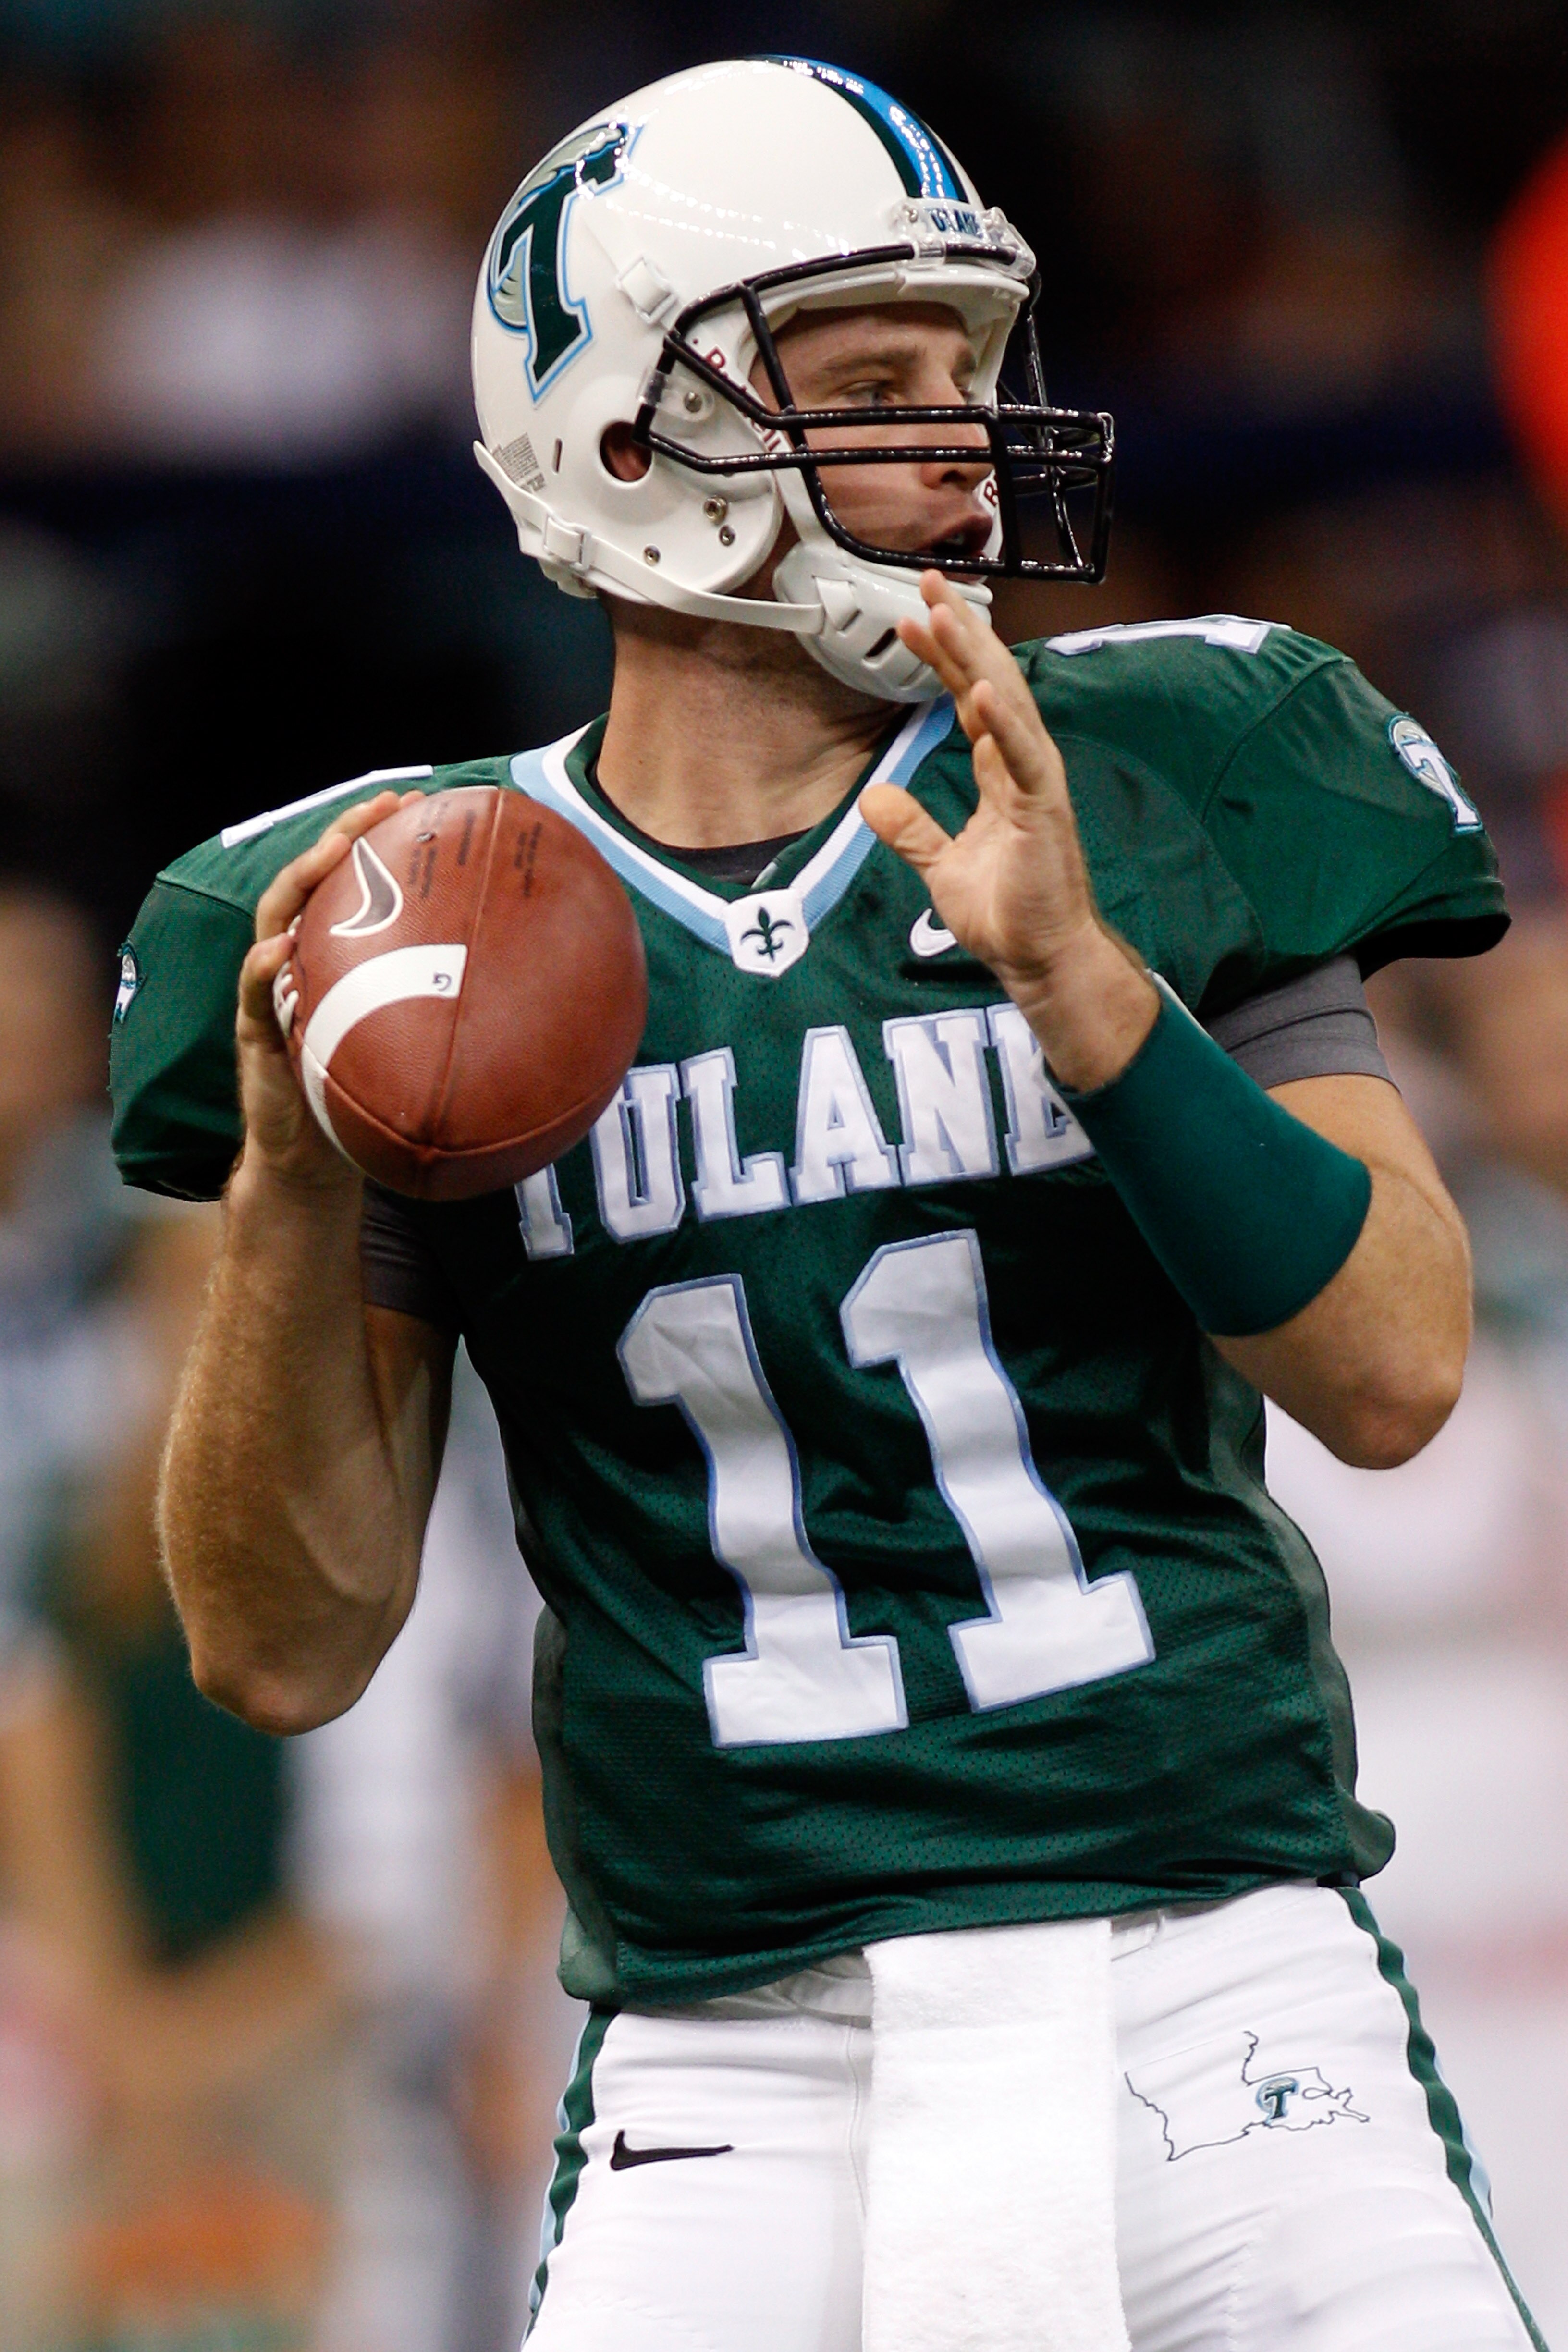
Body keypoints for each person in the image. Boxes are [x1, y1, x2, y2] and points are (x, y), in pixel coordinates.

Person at [109, 57, 1542, 2352]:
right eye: (874, 385)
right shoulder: (413, 932)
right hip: (732, 2062)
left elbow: (1390, 1375)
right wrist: (293, 1193)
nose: (958, 443)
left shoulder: (1156, 765)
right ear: (622, 442)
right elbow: (278, 1652)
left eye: (969, 377)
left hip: (1223, 1992)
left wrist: (1093, 994)